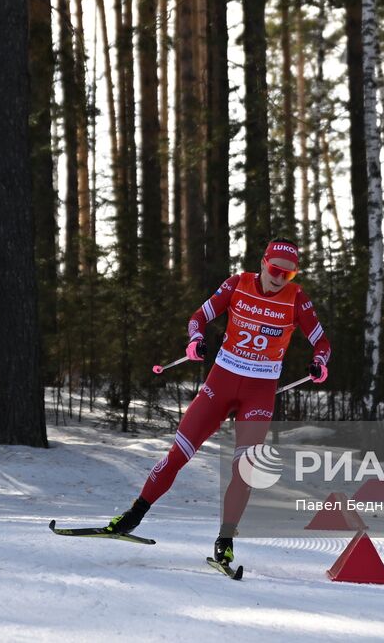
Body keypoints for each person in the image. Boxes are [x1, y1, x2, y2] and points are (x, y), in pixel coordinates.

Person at [103, 237, 331, 567]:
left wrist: (320, 363)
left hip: (259, 392)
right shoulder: (238, 284)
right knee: (178, 454)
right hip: (220, 383)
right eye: (275, 270)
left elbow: (321, 342)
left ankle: (225, 541)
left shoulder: (297, 299)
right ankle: (133, 516)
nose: (280, 278)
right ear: (263, 263)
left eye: (289, 274)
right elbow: (199, 316)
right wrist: (195, 341)